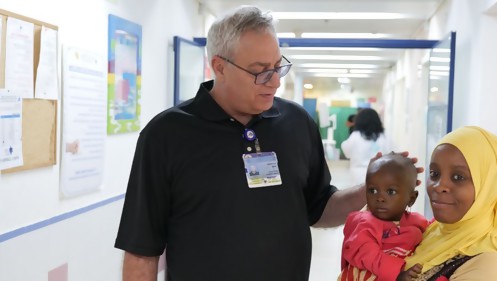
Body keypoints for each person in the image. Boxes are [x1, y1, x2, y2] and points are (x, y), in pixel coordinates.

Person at [115, 6, 374, 281]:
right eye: (260, 71)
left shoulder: (297, 123)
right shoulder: (166, 135)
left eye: (277, 67)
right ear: (219, 67)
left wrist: (365, 192)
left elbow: (318, 208)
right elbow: (141, 249)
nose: (274, 82)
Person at [403, 126, 497, 280]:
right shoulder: (433, 231)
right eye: (434, 174)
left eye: (458, 177)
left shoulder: (487, 267)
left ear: (487, 186)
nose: (439, 186)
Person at [339, 153, 428, 281]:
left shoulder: (416, 221)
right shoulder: (365, 224)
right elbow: (368, 254)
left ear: (411, 198)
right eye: (373, 190)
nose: (380, 198)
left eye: (391, 192)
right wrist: (397, 274)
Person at [341, 108, 391, 186]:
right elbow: (392, 155)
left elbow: (347, 152)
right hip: (380, 174)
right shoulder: (385, 136)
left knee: (359, 196)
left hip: (359, 175)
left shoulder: (356, 135)